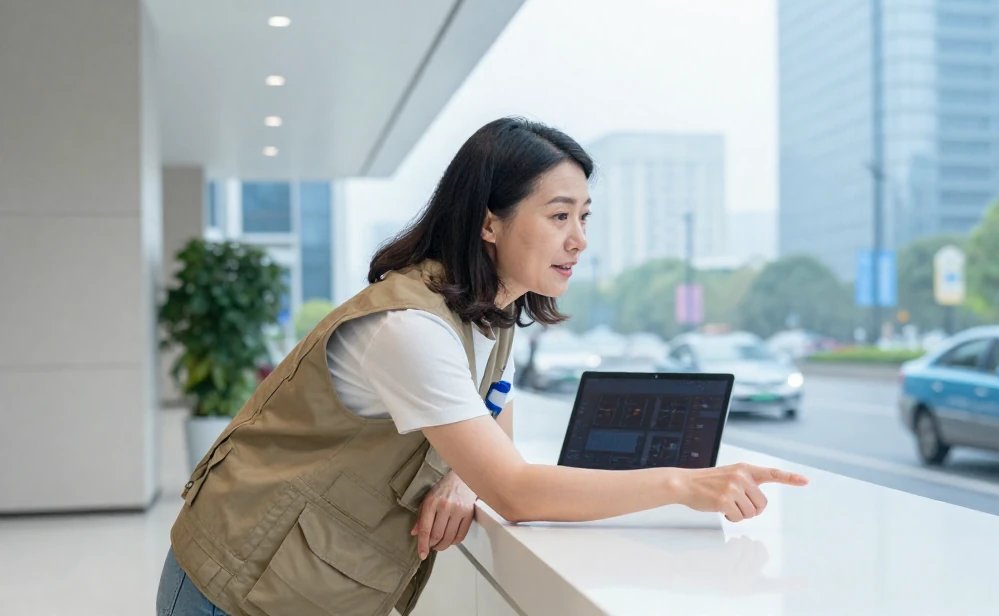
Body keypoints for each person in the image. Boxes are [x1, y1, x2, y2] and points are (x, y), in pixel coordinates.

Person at [156, 117, 809, 616]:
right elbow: (517, 493)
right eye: (559, 216)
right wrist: (685, 482)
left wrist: (464, 480)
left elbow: (495, 419)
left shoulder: (491, 316)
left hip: (310, 588)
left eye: (584, 216)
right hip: (238, 585)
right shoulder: (408, 329)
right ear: (490, 223)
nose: (579, 238)